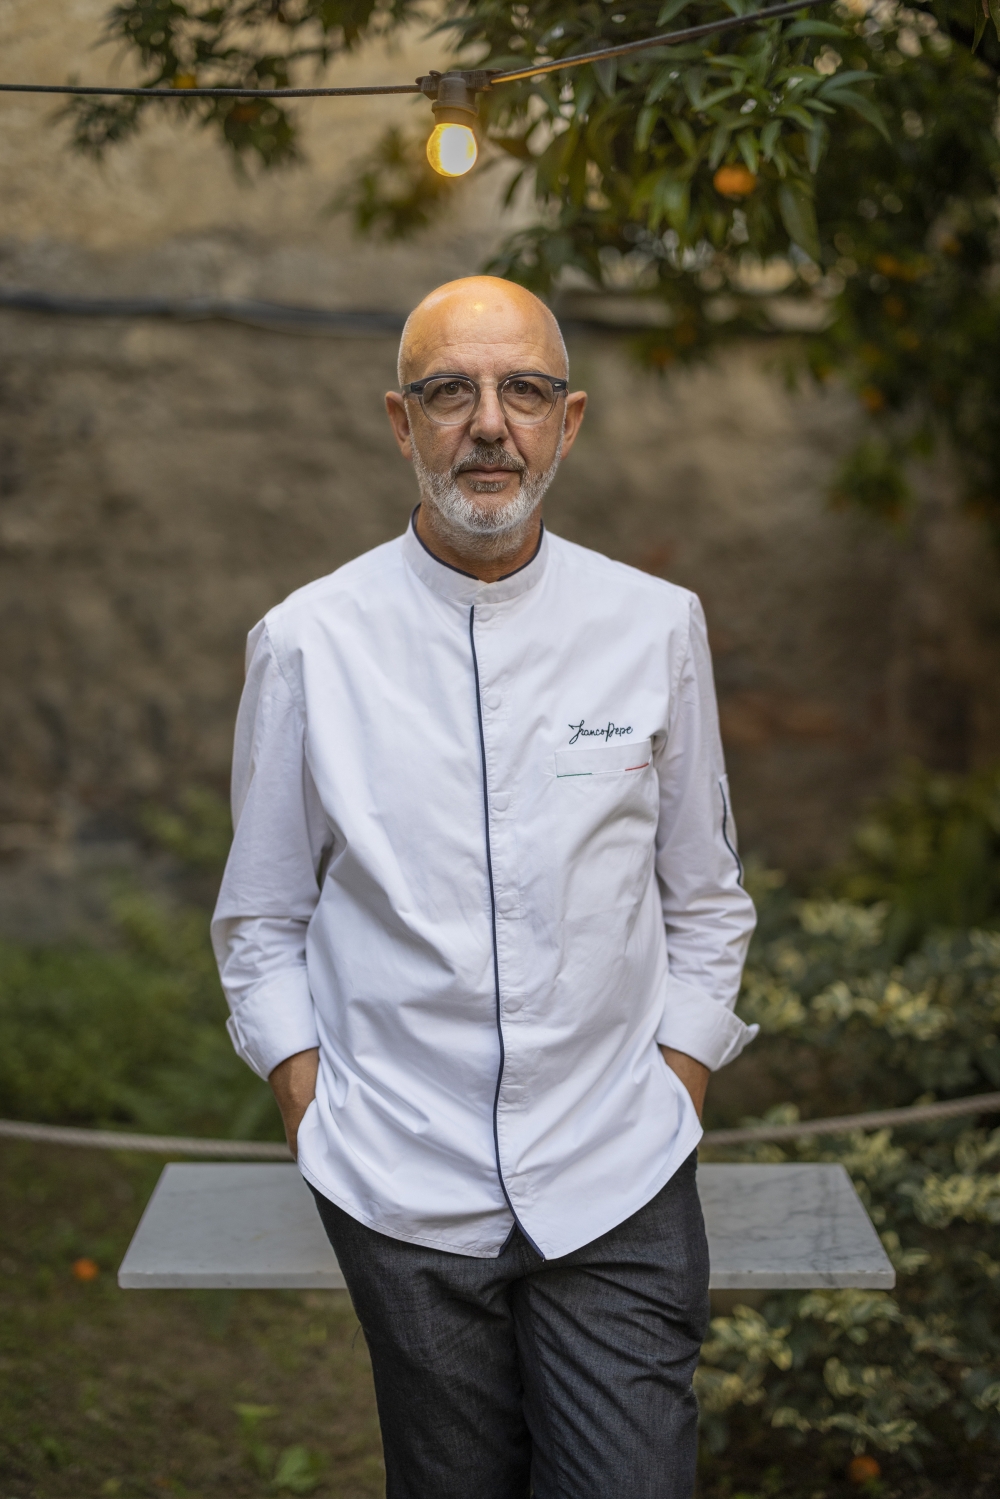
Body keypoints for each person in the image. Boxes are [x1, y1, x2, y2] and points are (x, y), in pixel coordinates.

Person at [211, 276, 758, 1499]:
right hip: (398, 1178)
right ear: (401, 424)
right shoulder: (307, 640)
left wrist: (677, 1072)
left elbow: (705, 894)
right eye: (449, 391)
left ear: (571, 420)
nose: (488, 423)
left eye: (523, 390)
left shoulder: (655, 624)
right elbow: (261, 914)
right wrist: (309, 1095)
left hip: (617, 1166)